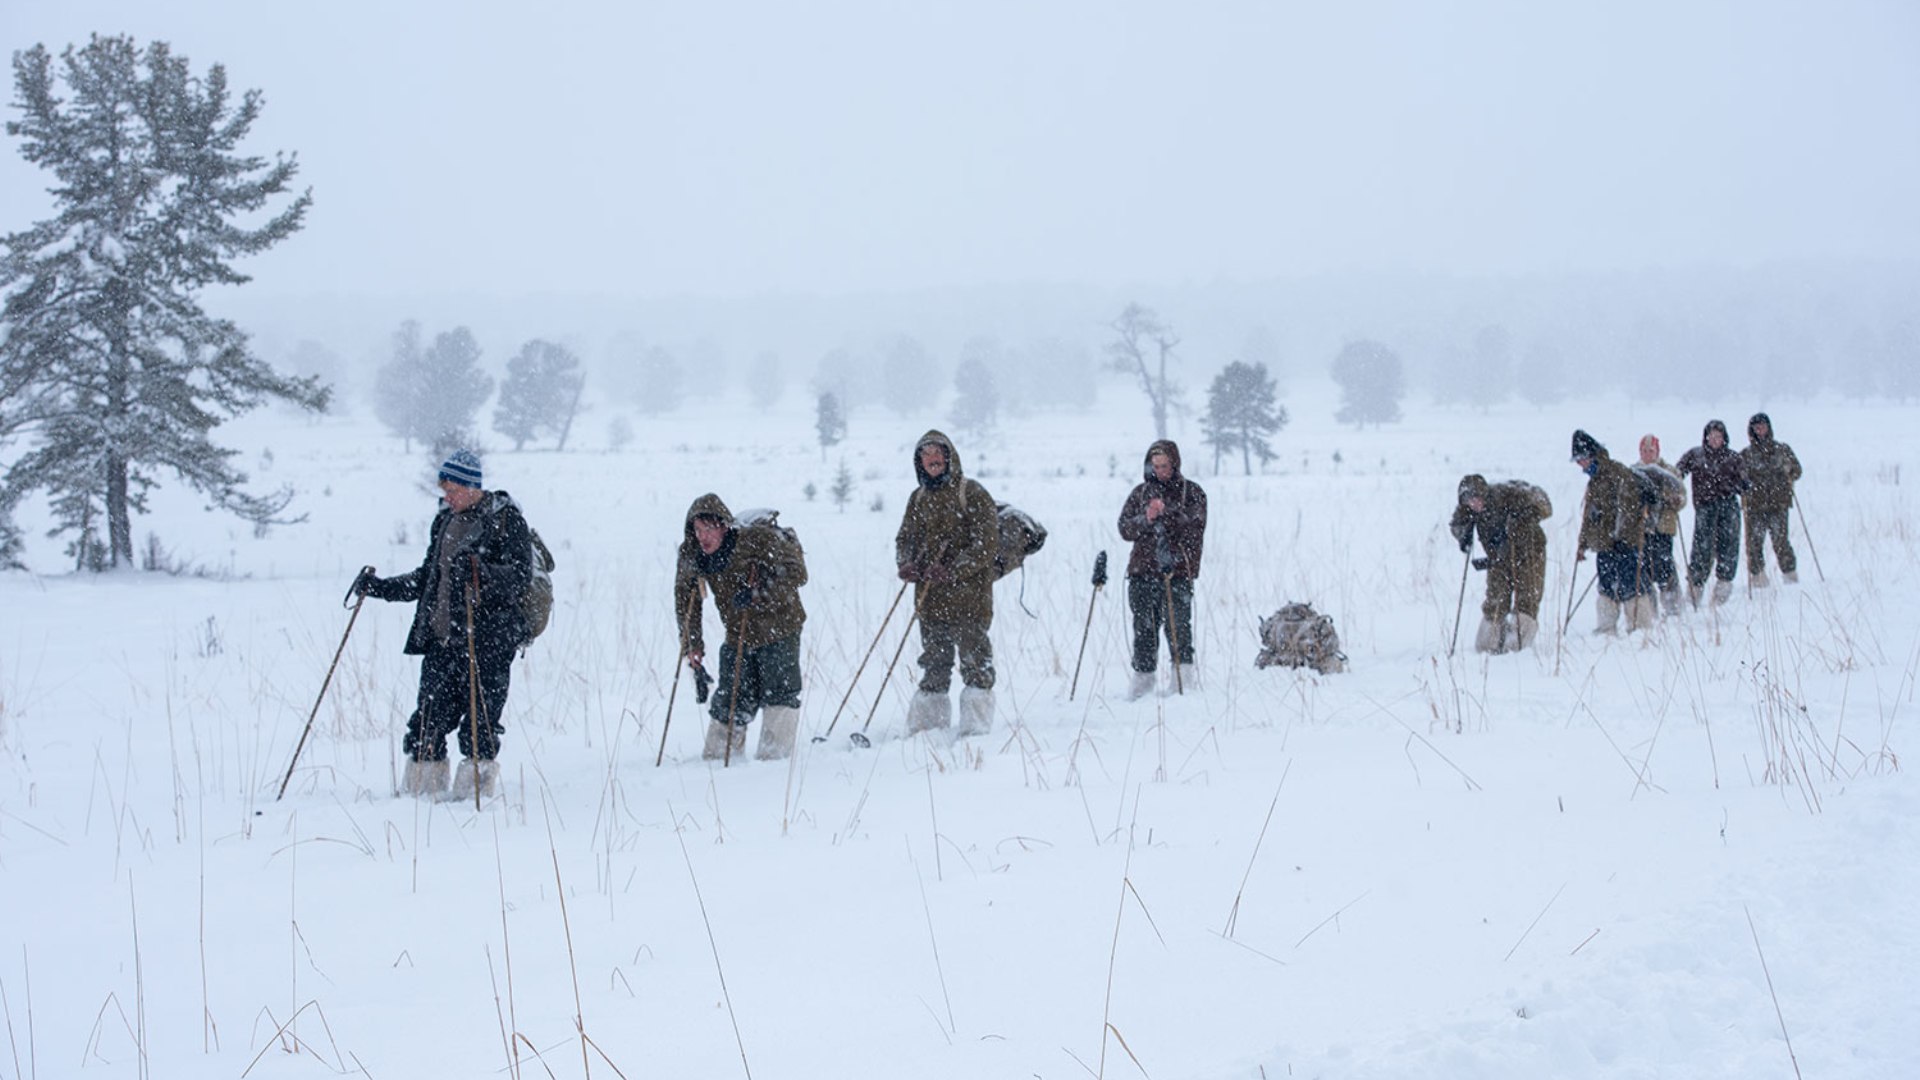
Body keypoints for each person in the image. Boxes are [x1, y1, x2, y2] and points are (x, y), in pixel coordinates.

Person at [355, 450, 532, 799]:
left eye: (451, 489)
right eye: (443, 490)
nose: (446, 497)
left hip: (490, 641)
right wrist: (381, 588)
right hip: (443, 640)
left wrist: (482, 574)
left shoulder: (505, 520)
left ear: (470, 486)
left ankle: (473, 799)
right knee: (427, 722)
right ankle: (420, 796)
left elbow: (520, 578)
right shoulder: (444, 522)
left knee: (480, 726)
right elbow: (428, 578)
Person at [673, 495, 809, 761]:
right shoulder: (693, 554)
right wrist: (692, 645)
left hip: (780, 625)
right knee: (731, 695)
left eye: (709, 528)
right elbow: (685, 600)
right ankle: (718, 761)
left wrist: (759, 592)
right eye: (697, 530)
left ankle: (775, 761)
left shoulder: (757, 540)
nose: (703, 537)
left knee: (780, 691)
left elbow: (797, 574)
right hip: (739, 632)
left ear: (724, 526)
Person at [895, 431, 999, 737]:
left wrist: (954, 570)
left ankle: (976, 731)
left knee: (975, 661)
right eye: (925, 455)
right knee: (934, 663)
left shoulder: (973, 492)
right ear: (919, 462)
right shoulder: (918, 497)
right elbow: (905, 537)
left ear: (949, 456)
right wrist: (906, 563)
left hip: (969, 597)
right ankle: (927, 728)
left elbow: (986, 544)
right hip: (930, 599)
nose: (932, 459)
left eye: (937, 453)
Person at [1117, 440, 1209, 696]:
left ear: (1175, 464)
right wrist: (1146, 518)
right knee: (1144, 630)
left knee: (1178, 628)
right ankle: (1142, 686)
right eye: (1155, 466)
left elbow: (1194, 528)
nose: (1160, 470)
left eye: (1165, 465)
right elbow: (1124, 528)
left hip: (1176, 574)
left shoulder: (1192, 493)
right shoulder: (1140, 493)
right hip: (1141, 574)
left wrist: (1166, 513)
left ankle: (1182, 685)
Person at [1449, 474, 1551, 653]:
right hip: (1498, 558)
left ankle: (1517, 646)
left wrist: (1520, 519)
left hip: (1529, 552)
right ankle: (1489, 645)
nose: (1474, 504)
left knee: (1527, 596)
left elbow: (1543, 508)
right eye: (1468, 501)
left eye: (1476, 498)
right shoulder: (1468, 509)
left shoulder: (1508, 496)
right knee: (1496, 599)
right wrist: (1463, 535)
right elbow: (1457, 523)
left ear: (1484, 494)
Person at [1571, 430, 1653, 634]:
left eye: (1581, 459)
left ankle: (1640, 628)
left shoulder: (1617, 473)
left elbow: (1628, 507)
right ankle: (1606, 628)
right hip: (1604, 544)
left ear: (1592, 455)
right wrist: (1582, 544)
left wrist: (1621, 537)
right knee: (1607, 587)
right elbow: (1590, 516)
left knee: (1633, 587)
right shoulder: (1595, 480)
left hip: (1625, 543)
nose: (1580, 465)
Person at [1675, 419, 1745, 606]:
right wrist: (1674, 486)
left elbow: (1744, 482)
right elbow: (1678, 472)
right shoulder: (1696, 455)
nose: (1715, 440)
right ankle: (1694, 593)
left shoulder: (1733, 458)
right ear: (1706, 438)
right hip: (1705, 508)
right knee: (1701, 550)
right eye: (1711, 436)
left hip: (1728, 507)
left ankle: (1721, 594)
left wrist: (1742, 486)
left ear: (1724, 438)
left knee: (1728, 547)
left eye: (1718, 437)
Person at [1740, 412, 1803, 587]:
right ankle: (1758, 578)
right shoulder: (1745, 455)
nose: (1760, 430)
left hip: (1778, 504)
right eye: (1756, 427)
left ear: (1769, 428)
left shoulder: (1782, 450)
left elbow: (1797, 471)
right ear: (1751, 430)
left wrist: (1788, 470)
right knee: (1754, 544)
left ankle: (1790, 576)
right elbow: (1737, 477)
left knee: (1781, 541)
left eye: (1763, 426)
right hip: (1754, 506)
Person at [1633, 435, 1688, 614]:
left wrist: (1674, 501)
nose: (1647, 454)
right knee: (1643, 568)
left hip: (1664, 527)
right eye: (1644, 451)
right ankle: (1649, 608)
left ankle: (1673, 606)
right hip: (1642, 529)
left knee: (1665, 565)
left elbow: (1682, 496)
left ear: (1657, 451)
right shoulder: (1634, 471)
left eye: (1651, 451)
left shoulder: (1669, 471)